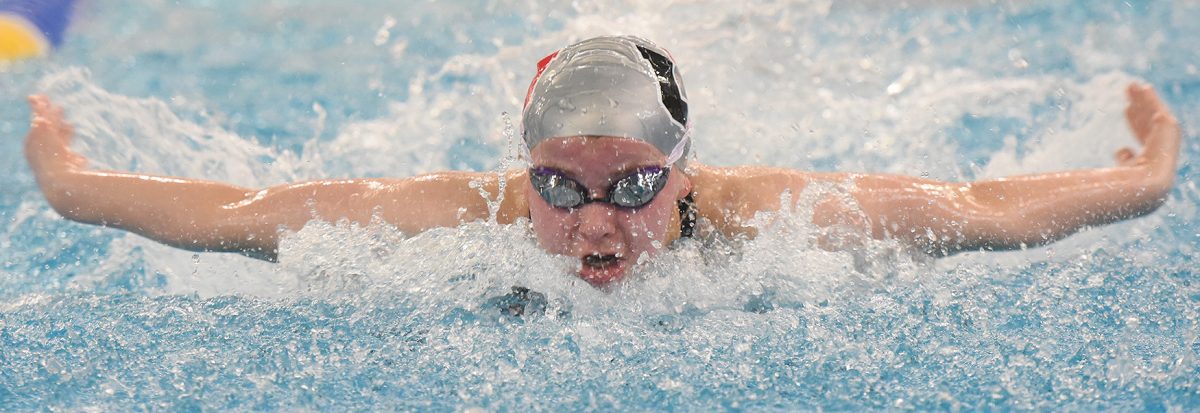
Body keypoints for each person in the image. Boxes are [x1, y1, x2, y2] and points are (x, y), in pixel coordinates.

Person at [23, 36, 1182, 286]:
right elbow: (239, 211)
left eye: (633, 188)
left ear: (685, 176)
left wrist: (1146, 172)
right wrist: (69, 183)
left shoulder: (772, 216)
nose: (594, 223)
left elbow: (985, 208)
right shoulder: (450, 215)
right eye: (558, 187)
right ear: (521, 172)